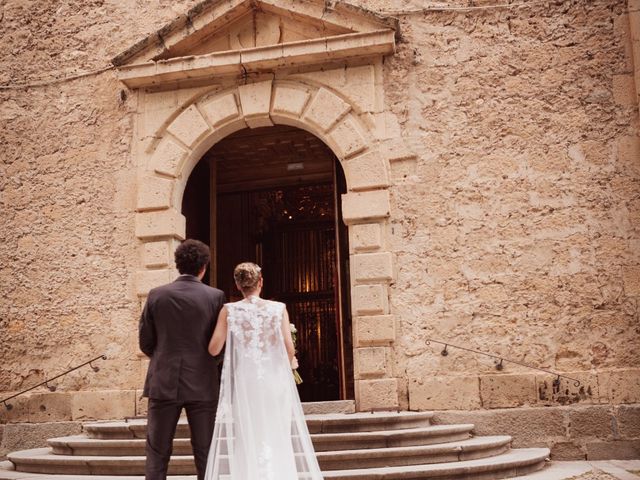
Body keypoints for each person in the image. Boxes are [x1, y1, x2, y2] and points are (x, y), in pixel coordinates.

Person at [205, 262, 323, 480]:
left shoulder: (229, 311)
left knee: (248, 433)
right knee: (276, 431)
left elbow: (214, 349)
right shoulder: (278, 309)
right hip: (273, 380)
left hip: (245, 381)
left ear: (238, 285)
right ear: (261, 282)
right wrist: (285, 365)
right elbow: (289, 348)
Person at [139, 239, 226, 480]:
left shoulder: (156, 295)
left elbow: (145, 342)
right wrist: (208, 363)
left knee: (157, 452)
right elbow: (219, 345)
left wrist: (164, 360)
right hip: (202, 383)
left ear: (177, 265)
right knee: (206, 452)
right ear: (204, 266)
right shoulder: (215, 297)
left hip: (163, 382)